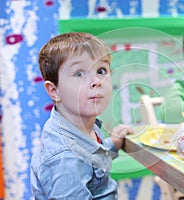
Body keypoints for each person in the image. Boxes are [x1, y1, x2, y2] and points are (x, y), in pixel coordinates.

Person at [30, 32, 134, 199]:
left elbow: (89, 157)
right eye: (79, 73)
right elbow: (77, 160)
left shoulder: (81, 125)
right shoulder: (65, 159)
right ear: (54, 91)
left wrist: (112, 144)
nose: (96, 81)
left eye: (101, 70)